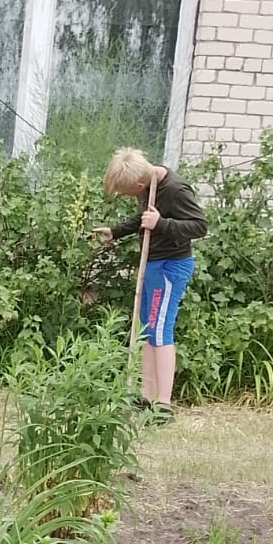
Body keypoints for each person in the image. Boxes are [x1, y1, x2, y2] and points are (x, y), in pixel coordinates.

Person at [94, 147, 208, 421]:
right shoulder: (148, 184)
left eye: (127, 192)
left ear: (139, 184)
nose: (128, 196)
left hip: (171, 266)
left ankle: (164, 404)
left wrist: (162, 224)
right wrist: (116, 232)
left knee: (160, 331)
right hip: (153, 265)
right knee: (146, 329)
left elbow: (199, 226)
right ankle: (146, 397)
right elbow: (144, 218)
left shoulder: (176, 190)